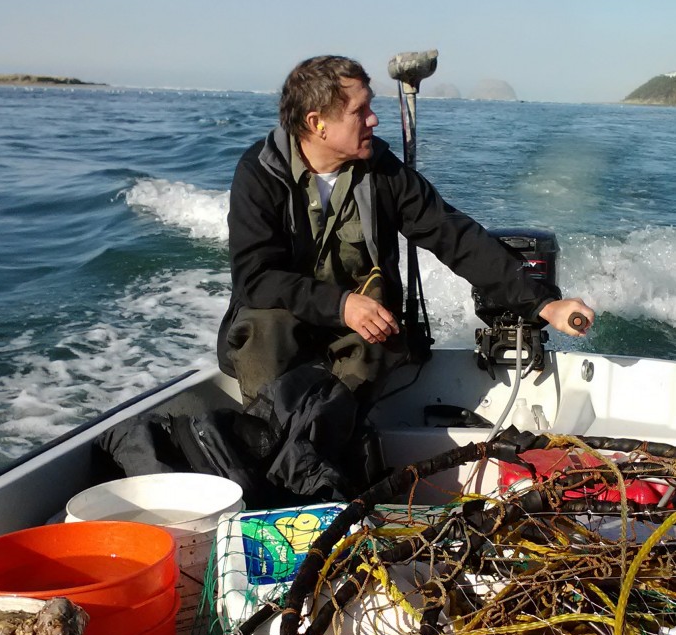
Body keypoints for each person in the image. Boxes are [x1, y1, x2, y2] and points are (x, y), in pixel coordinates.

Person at [217, 54, 594, 405]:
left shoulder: (382, 172)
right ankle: (277, 431)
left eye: (370, 107)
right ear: (318, 124)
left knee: (369, 359)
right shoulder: (261, 173)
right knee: (265, 327)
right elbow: (255, 278)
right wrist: (341, 305)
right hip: (288, 327)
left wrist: (543, 303)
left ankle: (327, 431)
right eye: (359, 111)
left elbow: (453, 235)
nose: (373, 120)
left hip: (360, 333)